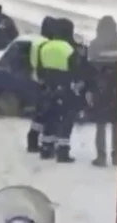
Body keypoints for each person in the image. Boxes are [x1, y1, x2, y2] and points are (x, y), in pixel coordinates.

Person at [36, 18, 84, 163]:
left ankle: (46, 148)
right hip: (65, 88)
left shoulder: (44, 46)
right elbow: (77, 70)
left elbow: (39, 70)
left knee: (50, 118)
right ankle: (62, 152)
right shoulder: (69, 49)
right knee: (66, 120)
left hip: (48, 88)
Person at [87, 16, 117, 167]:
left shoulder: (95, 45)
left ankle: (101, 156)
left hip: (100, 89)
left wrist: (90, 89)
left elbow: (90, 69)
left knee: (100, 125)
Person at [26, 16, 56, 152]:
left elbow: (33, 62)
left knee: (39, 112)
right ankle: (40, 141)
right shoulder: (47, 44)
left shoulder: (37, 43)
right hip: (44, 81)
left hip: (35, 79)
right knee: (45, 113)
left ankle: (33, 139)